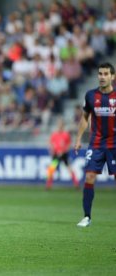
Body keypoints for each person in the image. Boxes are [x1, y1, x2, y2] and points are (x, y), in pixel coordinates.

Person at [74, 62, 116, 227]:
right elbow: (84, 118)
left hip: (114, 144)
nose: (102, 77)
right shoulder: (90, 95)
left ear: (112, 77)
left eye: (106, 74)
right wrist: (78, 139)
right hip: (96, 143)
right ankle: (87, 217)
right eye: (100, 74)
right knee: (90, 176)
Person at [46, 117, 79, 189]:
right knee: (51, 169)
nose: (60, 126)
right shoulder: (54, 134)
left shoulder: (66, 134)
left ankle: (76, 184)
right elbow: (51, 143)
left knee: (69, 168)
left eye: (61, 125)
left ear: (63, 126)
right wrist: (52, 150)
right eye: (59, 124)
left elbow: (69, 144)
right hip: (56, 154)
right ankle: (48, 185)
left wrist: (63, 151)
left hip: (64, 154)